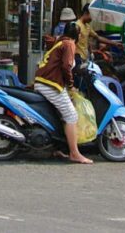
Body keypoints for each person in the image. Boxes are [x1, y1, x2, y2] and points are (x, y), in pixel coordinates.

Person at [33, 22, 93, 164]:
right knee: (71, 115)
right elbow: (66, 66)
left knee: (59, 114)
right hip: (51, 84)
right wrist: (71, 85)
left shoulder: (59, 42)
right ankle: (74, 153)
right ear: (77, 35)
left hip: (43, 81)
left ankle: (59, 147)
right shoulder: (69, 44)